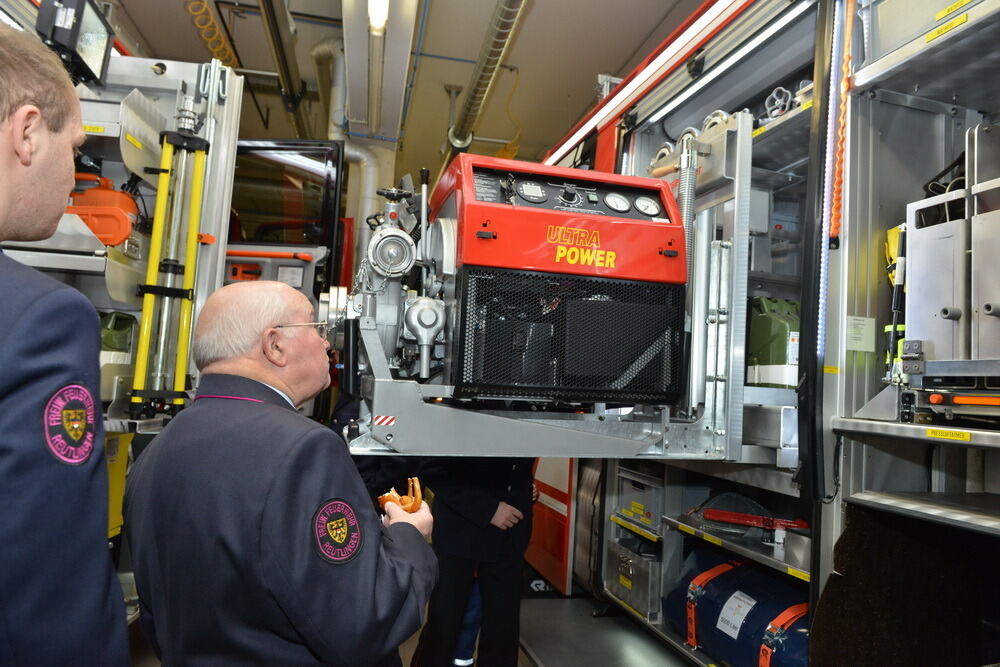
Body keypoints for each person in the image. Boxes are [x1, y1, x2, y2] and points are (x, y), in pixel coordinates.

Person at [125, 280, 437, 666]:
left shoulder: (155, 451)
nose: (328, 343)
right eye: (316, 328)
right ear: (274, 345)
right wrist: (408, 536)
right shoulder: (304, 450)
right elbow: (367, 622)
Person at [0, 24, 129, 666]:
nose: (76, 176)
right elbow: (49, 589)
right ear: (26, 133)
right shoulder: (41, 319)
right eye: (73, 148)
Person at [410, 457, 536, 667]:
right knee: (443, 627)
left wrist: (522, 488)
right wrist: (489, 509)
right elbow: (431, 468)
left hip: (510, 535)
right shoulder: (454, 423)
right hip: (460, 533)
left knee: (502, 633)